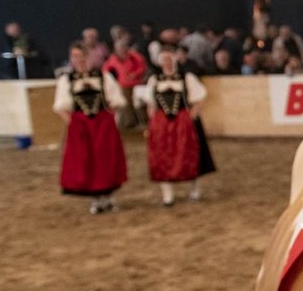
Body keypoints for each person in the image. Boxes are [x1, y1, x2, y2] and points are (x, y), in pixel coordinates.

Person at [54, 41, 128, 214]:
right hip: (80, 126)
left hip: (103, 124)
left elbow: (116, 99)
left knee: (106, 159)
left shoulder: (103, 76)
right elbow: (60, 106)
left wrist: (110, 117)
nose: (79, 60)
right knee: (86, 161)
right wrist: (73, 122)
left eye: (82, 56)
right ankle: (95, 200)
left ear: (89, 57)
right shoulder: (66, 80)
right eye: (75, 57)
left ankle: (108, 198)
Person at [137, 48, 210, 206]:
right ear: (160, 61)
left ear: (175, 60)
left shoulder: (186, 78)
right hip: (162, 123)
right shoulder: (154, 80)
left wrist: (191, 117)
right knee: (163, 156)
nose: (167, 62)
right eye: (164, 59)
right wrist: (154, 123)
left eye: (170, 58)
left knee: (188, 154)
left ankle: (194, 189)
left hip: (182, 121)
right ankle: (167, 195)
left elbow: (199, 98)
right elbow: (151, 105)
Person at [104, 32, 149, 129]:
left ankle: (144, 123)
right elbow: (105, 70)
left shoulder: (134, 56)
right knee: (126, 104)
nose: (121, 50)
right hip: (122, 85)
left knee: (139, 105)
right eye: (119, 48)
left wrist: (135, 74)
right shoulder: (113, 59)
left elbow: (142, 67)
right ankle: (129, 123)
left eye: (123, 47)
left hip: (136, 85)